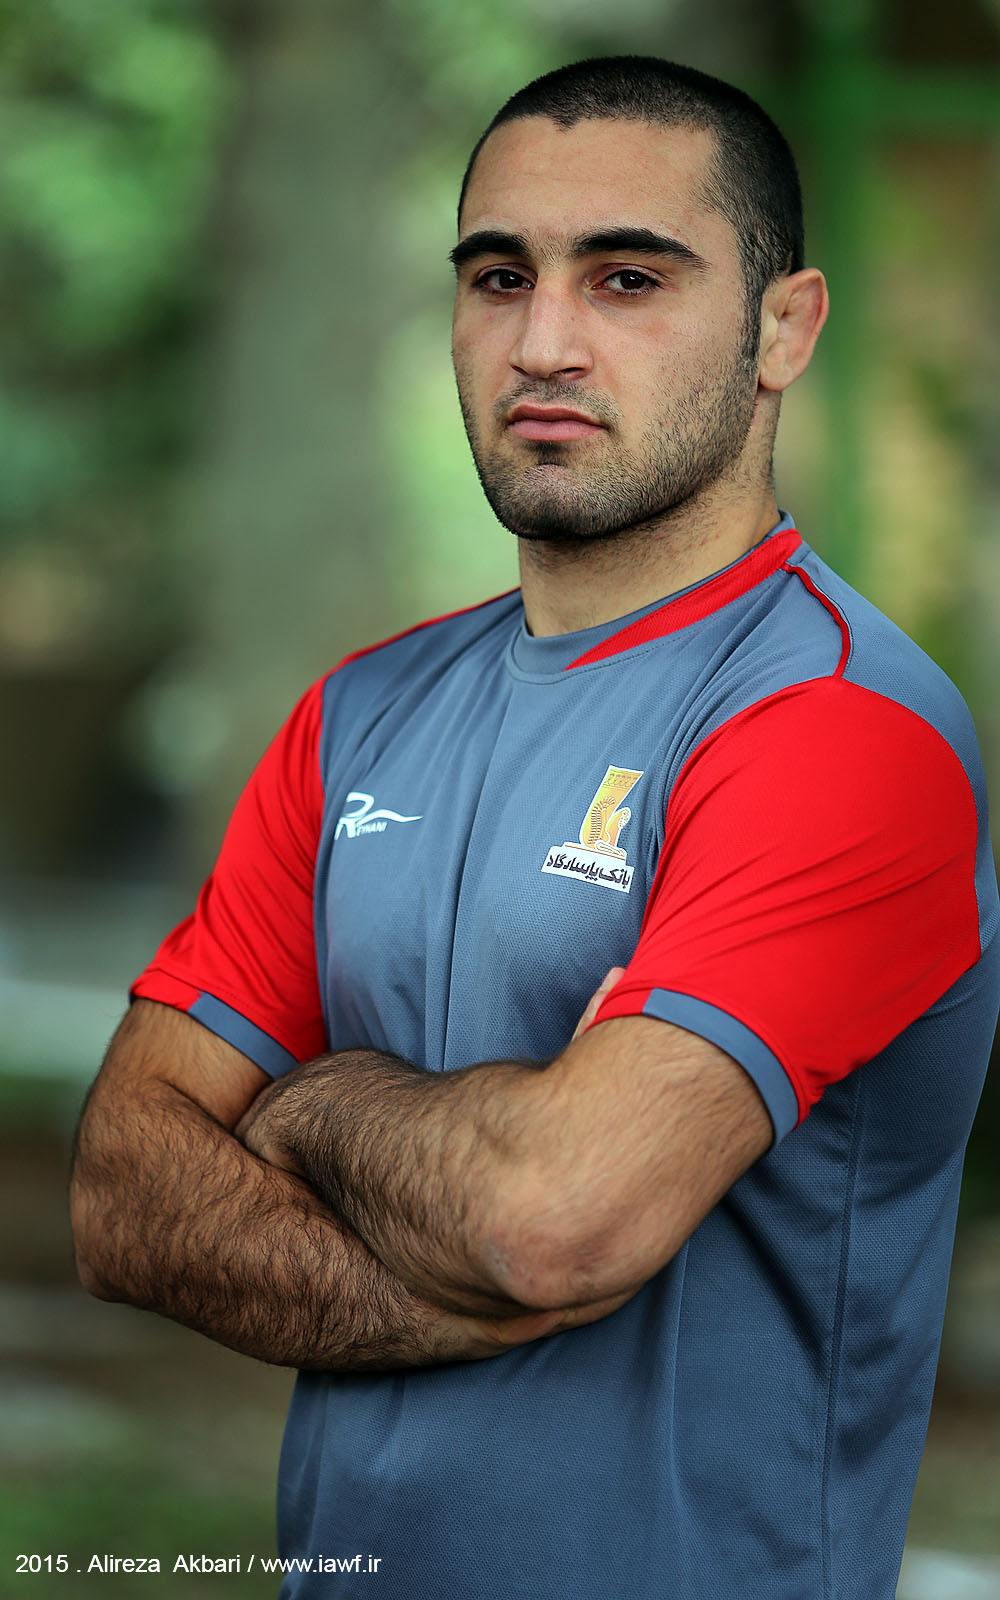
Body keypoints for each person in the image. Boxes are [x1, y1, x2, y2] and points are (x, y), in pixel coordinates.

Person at [70, 54, 999, 1600]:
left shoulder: (843, 730)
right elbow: (121, 1194)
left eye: (628, 278)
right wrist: (450, 1271)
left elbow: (552, 1225)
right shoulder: (359, 715)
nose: (544, 342)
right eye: (500, 276)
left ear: (785, 328)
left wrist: (307, 1106)